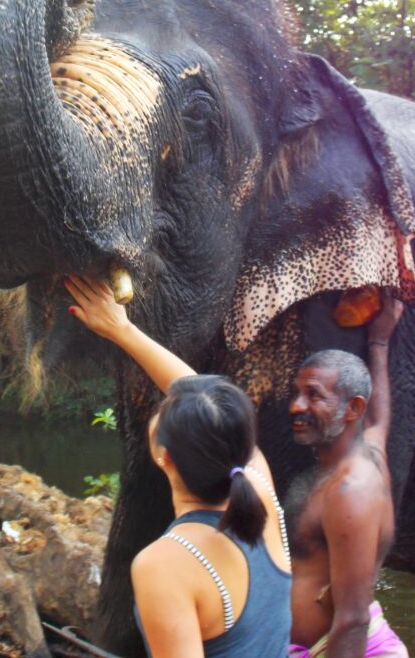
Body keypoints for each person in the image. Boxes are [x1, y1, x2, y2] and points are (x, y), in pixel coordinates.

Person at [65, 274, 292, 658]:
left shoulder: (165, 565)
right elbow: (202, 396)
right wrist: (122, 330)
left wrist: (123, 331)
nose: (165, 399)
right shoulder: (259, 488)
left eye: (164, 409)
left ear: (163, 456)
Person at [287, 293, 409, 657]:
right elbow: (378, 419)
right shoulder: (368, 450)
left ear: (351, 407)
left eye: (314, 396)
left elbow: (353, 620)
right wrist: (379, 341)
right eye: (297, 393)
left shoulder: (350, 491)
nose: (297, 405)